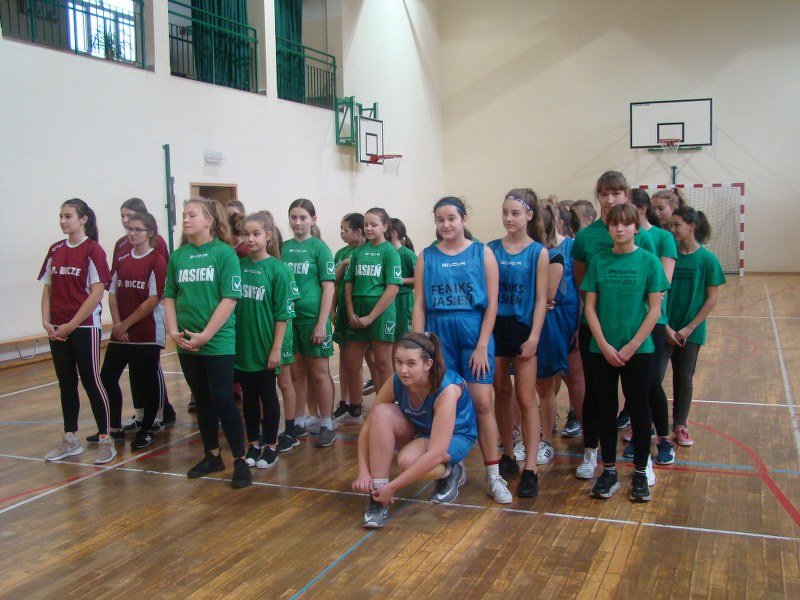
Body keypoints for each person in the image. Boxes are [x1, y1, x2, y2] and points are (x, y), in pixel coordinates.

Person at [413, 197, 512, 504]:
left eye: (451, 218)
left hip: (473, 331)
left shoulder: (482, 253)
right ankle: (452, 468)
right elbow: (419, 304)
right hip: (439, 334)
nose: (446, 224)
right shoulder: (426, 256)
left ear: (464, 219)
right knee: (445, 406)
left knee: (482, 403)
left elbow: (492, 304)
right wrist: (418, 344)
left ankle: (494, 475)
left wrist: (482, 345)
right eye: (440, 219)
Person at [570, 171, 656, 481]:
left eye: (616, 193)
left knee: (639, 397)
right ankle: (591, 450)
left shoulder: (642, 239)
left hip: (633, 330)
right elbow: (583, 285)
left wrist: (633, 338)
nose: (610, 199)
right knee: (596, 394)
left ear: (627, 196)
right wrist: (600, 326)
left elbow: (651, 289)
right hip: (595, 327)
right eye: (604, 193)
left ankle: (643, 461)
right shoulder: (586, 237)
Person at [581, 204, 669, 502]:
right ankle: (608, 471)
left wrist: (632, 345)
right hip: (602, 350)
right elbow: (590, 307)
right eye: (614, 224)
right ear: (608, 228)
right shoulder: (598, 261)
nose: (620, 229)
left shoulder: (649, 261)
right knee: (606, 410)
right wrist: (604, 344)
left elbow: (655, 309)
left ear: (635, 227)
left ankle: (641, 472)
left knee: (640, 410)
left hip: (639, 351)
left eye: (626, 224)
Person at [163, 197, 250, 489]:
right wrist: (173, 330)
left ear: (209, 220)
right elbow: (170, 296)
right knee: (201, 399)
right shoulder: (178, 256)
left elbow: (230, 298)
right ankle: (212, 455)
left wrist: (206, 335)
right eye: (184, 215)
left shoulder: (224, 254)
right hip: (186, 341)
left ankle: (240, 460)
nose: (186, 220)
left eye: (192, 215)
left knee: (223, 398)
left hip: (217, 342)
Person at [353, 332, 478, 528]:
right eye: (398, 362)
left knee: (407, 461)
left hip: (456, 435)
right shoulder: (396, 380)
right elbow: (368, 426)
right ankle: (377, 497)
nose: (403, 370)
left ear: (427, 364)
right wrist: (363, 471)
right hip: (421, 427)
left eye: (411, 363)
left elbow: (436, 453)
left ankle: (450, 471)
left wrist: (393, 487)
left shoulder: (447, 390)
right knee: (380, 413)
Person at [40, 198, 115, 464]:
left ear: (83, 219)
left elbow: (96, 293)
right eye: (60, 216)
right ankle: (70, 439)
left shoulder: (93, 250)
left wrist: (72, 324)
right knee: (66, 382)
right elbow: (48, 289)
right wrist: (46, 321)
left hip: (84, 327)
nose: (62, 220)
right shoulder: (55, 249)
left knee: (91, 380)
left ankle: (106, 439)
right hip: (57, 328)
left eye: (68, 216)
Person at [487, 189, 548, 498]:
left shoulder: (538, 252)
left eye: (515, 213)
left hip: (523, 329)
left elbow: (541, 299)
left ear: (529, 216)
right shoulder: (490, 249)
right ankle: (508, 455)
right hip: (495, 329)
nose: (509, 218)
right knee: (501, 393)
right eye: (505, 212)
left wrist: (534, 336)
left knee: (526, 398)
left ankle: (531, 468)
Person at [101, 211, 168, 450]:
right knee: (107, 377)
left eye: (138, 229)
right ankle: (114, 427)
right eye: (129, 229)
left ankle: (147, 428)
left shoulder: (156, 260)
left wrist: (126, 324)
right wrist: (117, 325)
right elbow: (112, 294)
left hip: (146, 333)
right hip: (121, 334)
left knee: (147, 381)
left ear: (150, 233)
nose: (132, 233)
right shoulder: (122, 259)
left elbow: (153, 299)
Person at [663, 206, 725, 447]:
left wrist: (689, 328)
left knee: (684, 377)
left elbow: (712, 298)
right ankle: (650, 425)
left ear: (692, 226)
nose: (672, 229)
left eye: (677, 225)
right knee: (653, 377)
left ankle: (680, 425)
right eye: (670, 225)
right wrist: (665, 326)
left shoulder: (708, 260)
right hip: (664, 327)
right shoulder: (668, 257)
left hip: (691, 331)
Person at [110, 197, 175, 427]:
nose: (125, 222)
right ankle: (139, 414)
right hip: (125, 318)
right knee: (133, 370)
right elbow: (114, 284)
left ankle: (160, 413)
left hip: (147, 317)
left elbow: (160, 284)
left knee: (150, 369)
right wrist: (119, 323)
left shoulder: (157, 245)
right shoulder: (121, 245)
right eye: (122, 216)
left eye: (129, 216)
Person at [235, 212, 293, 469]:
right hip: (243, 345)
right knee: (248, 398)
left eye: (256, 234)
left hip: (265, 345)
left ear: (268, 236)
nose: (251, 239)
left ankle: (271, 445)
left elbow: (283, 315)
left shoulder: (278, 270)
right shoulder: (238, 266)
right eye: (246, 234)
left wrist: (276, 349)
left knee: (267, 395)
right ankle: (253, 443)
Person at [282, 199, 336, 447]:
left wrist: (321, 324)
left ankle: (326, 423)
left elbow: (328, 288)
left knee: (319, 374)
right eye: (294, 217)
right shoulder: (283, 248)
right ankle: (300, 419)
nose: (298, 222)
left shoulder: (320, 248)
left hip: (313, 319)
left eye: (303, 217)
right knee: (296, 372)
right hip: (290, 320)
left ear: (313, 220)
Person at [629, 188, 677, 465]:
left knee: (650, 382)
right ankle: (640, 437)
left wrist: (650, 313)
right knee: (634, 386)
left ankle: (664, 438)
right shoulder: (619, 237)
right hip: (624, 322)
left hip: (652, 319)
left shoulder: (660, 237)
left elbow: (662, 283)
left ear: (641, 209)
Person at [341, 208, 402, 420]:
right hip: (357, 311)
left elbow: (392, 288)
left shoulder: (390, 252)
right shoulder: (358, 252)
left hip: (381, 314)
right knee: (352, 361)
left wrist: (371, 317)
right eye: (366, 224)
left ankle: (388, 406)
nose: (368, 228)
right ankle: (355, 405)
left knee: (383, 362)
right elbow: (348, 283)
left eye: (373, 224)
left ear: (385, 226)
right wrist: (350, 311)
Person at [536, 201, 580, 462]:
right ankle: (543, 426)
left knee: (571, 376)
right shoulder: (530, 250)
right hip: (538, 318)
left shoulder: (568, 247)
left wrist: (580, 323)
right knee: (543, 379)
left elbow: (579, 286)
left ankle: (581, 426)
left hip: (563, 317)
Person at [332, 213, 365, 422]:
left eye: (346, 229)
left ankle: (356, 402)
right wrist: (332, 309)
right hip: (343, 310)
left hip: (359, 311)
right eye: (341, 229)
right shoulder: (341, 253)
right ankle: (344, 401)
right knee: (344, 357)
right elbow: (333, 282)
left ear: (358, 231)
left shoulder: (367, 252)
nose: (342, 233)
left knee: (356, 360)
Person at [389, 218, 418, 350]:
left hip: (403, 301)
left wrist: (400, 280)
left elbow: (420, 278)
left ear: (393, 232)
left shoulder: (407, 254)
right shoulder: (385, 253)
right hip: (387, 299)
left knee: (402, 339)